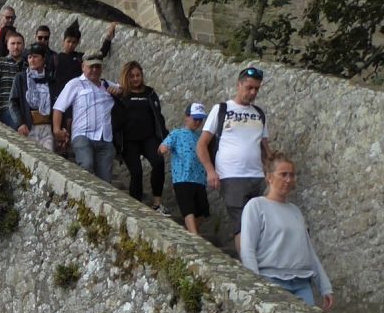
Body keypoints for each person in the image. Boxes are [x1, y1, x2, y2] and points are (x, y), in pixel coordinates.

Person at [239, 157, 334, 310]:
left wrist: (325, 287)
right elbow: (247, 249)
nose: (288, 179)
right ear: (269, 177)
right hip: (271, 281)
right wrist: (256, 286)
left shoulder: (295, 211)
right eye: (283, 174)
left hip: (302, 283)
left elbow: (308, 251)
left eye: (291, 175)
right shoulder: (256, 206)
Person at [196, 65, 270, 252]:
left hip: (258, 176)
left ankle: (258, 264)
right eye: (249, 87)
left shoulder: (259, 114)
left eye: (256, 89)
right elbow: (202, 144)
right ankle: (248, 267)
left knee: (260, 224)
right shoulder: (222, 109)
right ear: (239, 85)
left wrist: (271, 172)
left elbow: (265, 147)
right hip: (231, 175)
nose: (253, 92)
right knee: (241, 224)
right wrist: (210, 171)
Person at [53, 56, 118, 182]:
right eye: (91, 66)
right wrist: (56, 129)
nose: (94, 70)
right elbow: (59, 107)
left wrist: (119, 92)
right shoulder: (74, 84)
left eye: (97, 66)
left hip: (105, 137)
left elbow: (123, 89)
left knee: (105, 179)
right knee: (86, 165)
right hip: (82, 135)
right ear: (83, 67)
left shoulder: (107, 85)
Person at [113, 61, 167, 209]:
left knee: (158, 162)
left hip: (149, 137)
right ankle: (136, 205)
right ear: (126, 77)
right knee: (136, 172)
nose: (136, 79)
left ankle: (157, 202)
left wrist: (165, 137)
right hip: (129, 140)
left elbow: (158, 116)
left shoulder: (150, 93)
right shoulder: (122, 95)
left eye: (138, 75)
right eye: (132, 76)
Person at [160, 102, 211, 235]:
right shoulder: (177, 133)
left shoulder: (202, 137)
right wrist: (163, 148)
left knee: (202, 210)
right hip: (182, 177)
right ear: (186, 117)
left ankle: (189, 231)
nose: (198, 122)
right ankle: (194, 235)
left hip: (199, 178)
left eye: (200, 120)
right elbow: (163, 146)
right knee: (188, 208)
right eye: (195, 119)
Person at [11, 44, 57, 149]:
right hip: (29, 125)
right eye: (30, 57)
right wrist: (20, 123)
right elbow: (13, 103)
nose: (32, 60)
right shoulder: (21, 78)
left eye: (35, 56)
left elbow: (57, 105)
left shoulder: (51, 80)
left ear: (43, 59)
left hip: (47, 126)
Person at [0, 33, 27, 128]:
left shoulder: (27, 66)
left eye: (19, 43)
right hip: (5, 106)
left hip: (25, 108)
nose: (16, 47)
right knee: (17, 127)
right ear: (7, 46)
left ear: (23, 45)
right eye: (13, 43)